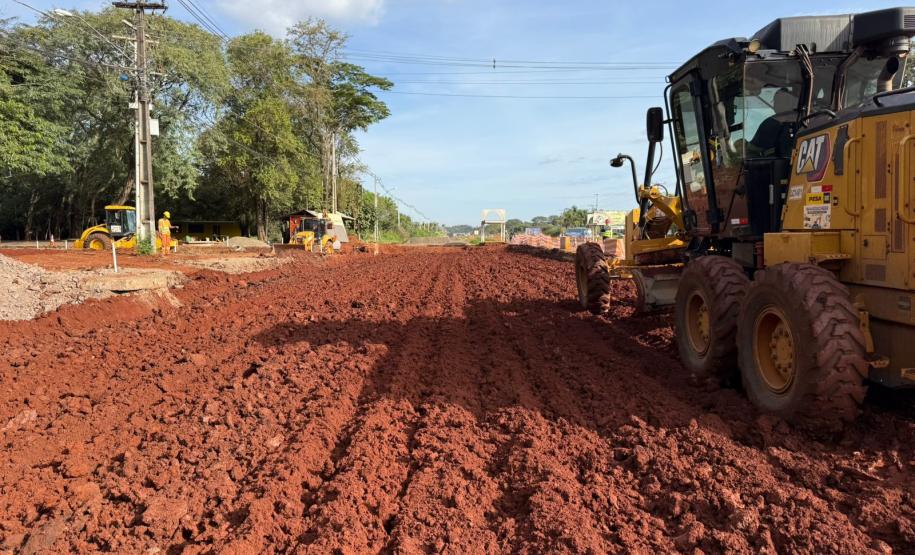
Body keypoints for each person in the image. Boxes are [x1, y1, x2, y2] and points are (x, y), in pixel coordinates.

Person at [749, 88, 798, 157]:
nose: (776, 104)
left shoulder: (770, 123)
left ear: (790, 103)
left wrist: (744, 144)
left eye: (780, 101)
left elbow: (753, 149)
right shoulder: (804, 121)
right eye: (776, 101)